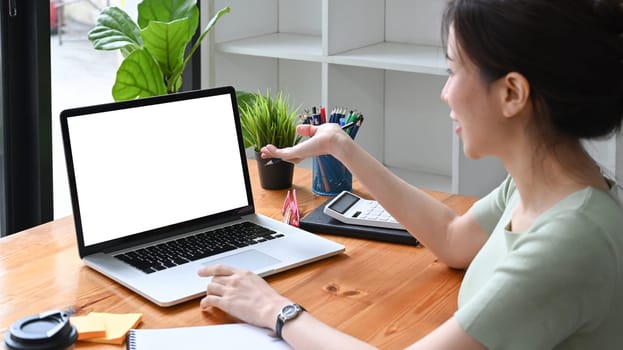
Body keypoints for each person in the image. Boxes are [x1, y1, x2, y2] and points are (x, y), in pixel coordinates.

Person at [198, 0, 623, 348]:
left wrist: (277, 311)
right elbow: (454, 240)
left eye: (454, 71)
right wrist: (341, 147)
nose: (445, 93)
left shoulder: (570, 242)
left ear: (512, 93)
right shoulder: (542, 187)